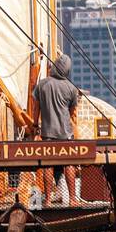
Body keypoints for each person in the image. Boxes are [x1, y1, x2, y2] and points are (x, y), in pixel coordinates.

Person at [33, 53, 81, 204]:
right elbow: (73, 113)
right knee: (69, 164)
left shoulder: (42, 85)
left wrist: (35, 125)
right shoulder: (71, 88)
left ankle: (47, 200)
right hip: (66, 134)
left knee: (48, 165)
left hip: (47, 133)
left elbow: (36, 109)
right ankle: (72, 199)